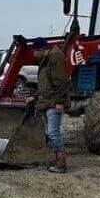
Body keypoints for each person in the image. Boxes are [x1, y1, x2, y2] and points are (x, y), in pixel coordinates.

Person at [32, 38, 71, 173]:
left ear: (42, 49)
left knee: (53, 133)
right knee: (49, 133)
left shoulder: (55, 58)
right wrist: (35, 96)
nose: (33, 54)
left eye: (35, 51)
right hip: (47, 101)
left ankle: (61, 164)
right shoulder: (45, 60)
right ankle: (53, 161)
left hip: (54, 102)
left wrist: (60, 102)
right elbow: (45, 83)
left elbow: (61, 81)